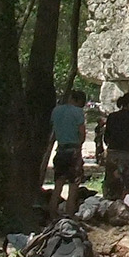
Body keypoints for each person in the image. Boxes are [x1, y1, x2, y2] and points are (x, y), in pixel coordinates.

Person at [47, 89, 88, 220]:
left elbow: (54, 130)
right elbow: (82, 133)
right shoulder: (78, 112)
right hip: (73, 150)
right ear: (78, 100)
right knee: (73, 185)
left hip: (60, 150)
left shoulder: (56, 111)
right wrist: (79, 145)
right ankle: (70, 214)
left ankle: (52, 213)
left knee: (58, 183)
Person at [102, 91, 129, 198]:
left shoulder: (112, 116)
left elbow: (106, 137)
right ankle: (126, 200)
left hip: (113, 151)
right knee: (127, 182)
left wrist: (110, 146)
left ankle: (109, 199)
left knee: (111, 180)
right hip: (128, 152)